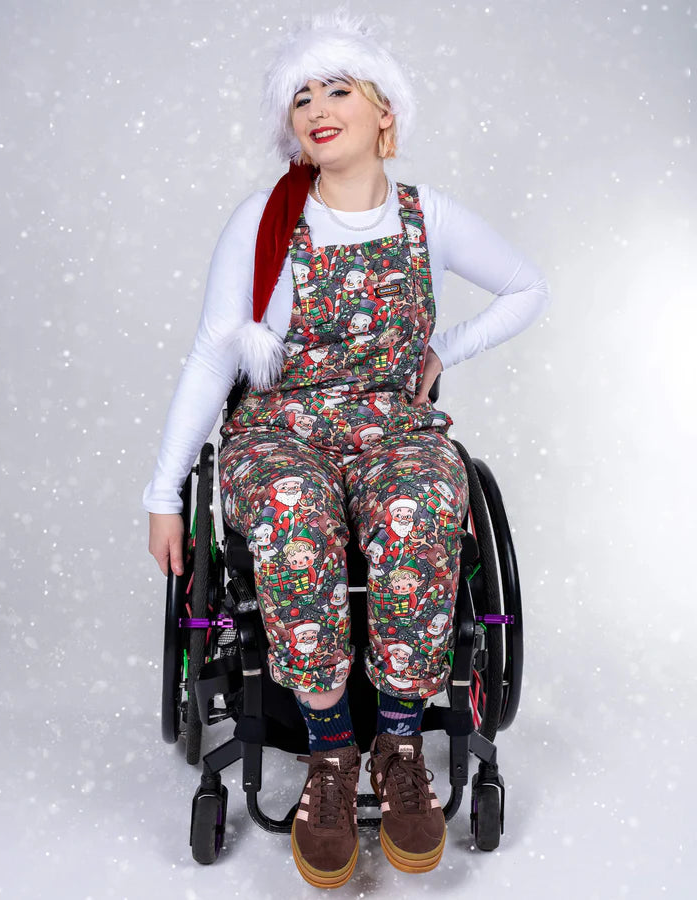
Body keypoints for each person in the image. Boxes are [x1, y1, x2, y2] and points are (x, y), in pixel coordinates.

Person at [144, 7, 550, 889]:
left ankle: (398, 747)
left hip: (392, 426)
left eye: (337, 90)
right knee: (293, 517)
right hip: (279, 429)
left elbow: (527, 287)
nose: (317, 110)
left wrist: (445, 351)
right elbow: (215, 353)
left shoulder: (426, 216)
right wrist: (163, 494)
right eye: (301, 98)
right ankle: (330, 753)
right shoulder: (265, 220)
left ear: (383, 111)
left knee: (418, 506)